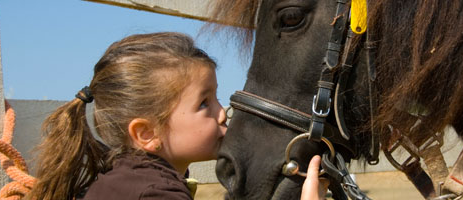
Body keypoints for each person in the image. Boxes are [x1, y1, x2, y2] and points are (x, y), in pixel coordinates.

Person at [27, 32, 329, 200]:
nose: (222, 113)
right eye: (203, 104)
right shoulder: (155, 195)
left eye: (216, 98)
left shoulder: (125, 180)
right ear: (147, 134)